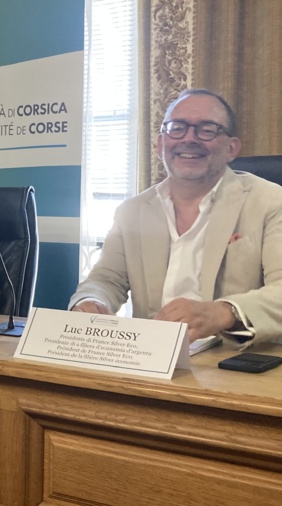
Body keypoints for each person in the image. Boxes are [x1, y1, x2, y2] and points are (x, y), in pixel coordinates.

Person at [69, 88, 282, 347]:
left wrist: (223, 312)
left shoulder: (271, 202)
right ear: (161, 144)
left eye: (207, 129)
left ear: (231, 148)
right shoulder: (132, 211)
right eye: (177, 128)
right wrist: (91, 301)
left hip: (232, 358)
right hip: (148, 354)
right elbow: (106, 279)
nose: (189, 138)